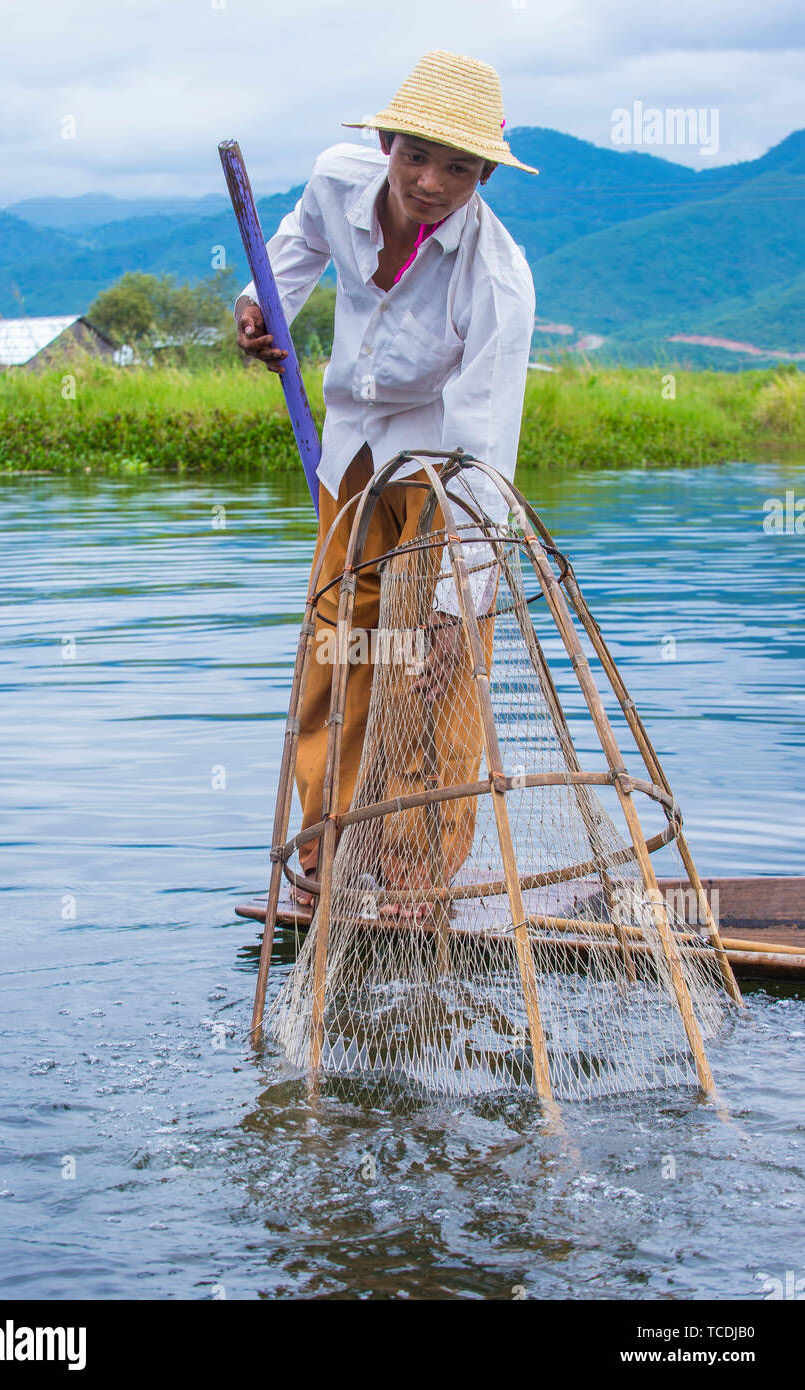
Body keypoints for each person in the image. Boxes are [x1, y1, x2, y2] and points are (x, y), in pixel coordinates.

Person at [234, 50, 536, 917]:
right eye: (415, 155)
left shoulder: (496, 280)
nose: (431, 182)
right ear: (386, 140)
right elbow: (289, 252)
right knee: (341, 644)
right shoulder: (337, 180)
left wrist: (455, 606)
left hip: (441, 474)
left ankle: (414, 871)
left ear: (484, 175)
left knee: (428, 673)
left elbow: (487, 450)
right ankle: (330, 841)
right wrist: (260, 312)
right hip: (351, 456)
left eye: (459, 168)